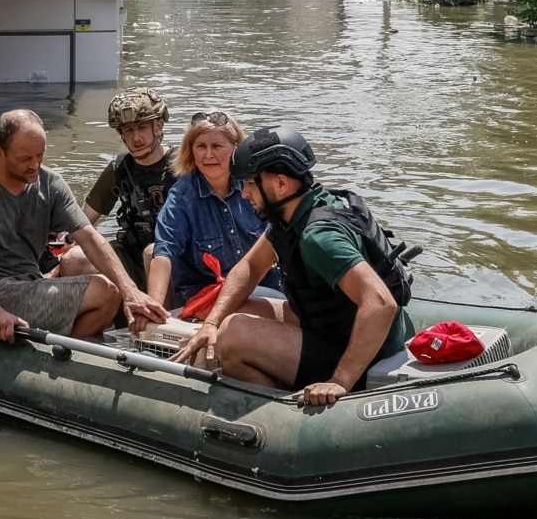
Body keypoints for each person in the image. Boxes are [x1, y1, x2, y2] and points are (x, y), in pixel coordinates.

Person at [170, 125, 415, 407]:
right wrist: (210, 323)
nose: (245, 193)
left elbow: (381, 304)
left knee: (233, 336)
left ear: (281, 184)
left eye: (251, 183)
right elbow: (250, 267)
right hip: (334, 329)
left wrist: (340, 380)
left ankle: (288, 415)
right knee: (237, 311)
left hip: (362, 355)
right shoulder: (295, 214)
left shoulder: (317, 236)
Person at [0, 109, 167, 342]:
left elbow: (89, 238)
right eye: (25, 159)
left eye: (40, 155)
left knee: (111, 290)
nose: (35, 165)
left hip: (32, 283)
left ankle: (60, 353)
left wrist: (131, 291)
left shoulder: (50, 184)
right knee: (105, 291)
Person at [144, 111, 284, 328]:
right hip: (205, 297)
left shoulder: (257, 187)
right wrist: (153, 311)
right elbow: (164, 252)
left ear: (236, 148)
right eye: (200, 146)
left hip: (264, 289)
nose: (208, 155)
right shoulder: (182, 197)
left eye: (217, 146)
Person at [56, 87, 177, 290]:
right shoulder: (119, 168)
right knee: (73, 260)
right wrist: (56, 257)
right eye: (128, 130)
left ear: (158, 125)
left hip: (174, 259)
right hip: (131, 257)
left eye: (142, 128)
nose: (136, 138)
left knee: (154, 253)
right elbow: (82, 224)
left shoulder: (181, 164)